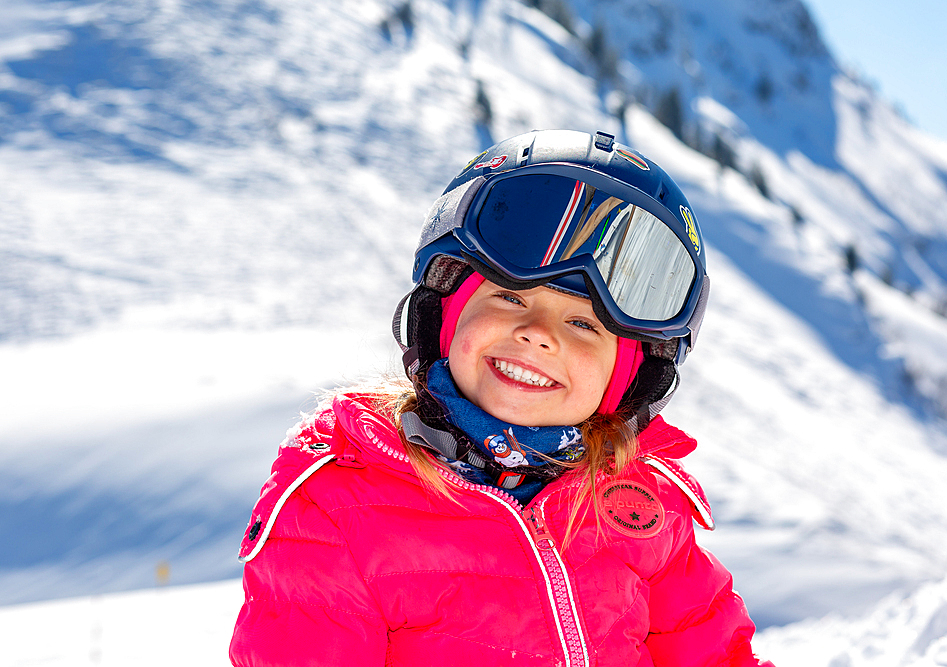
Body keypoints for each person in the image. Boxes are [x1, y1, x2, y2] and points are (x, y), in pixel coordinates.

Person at [229, 129, 774, 666]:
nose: (539, 333)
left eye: (583, 323)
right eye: (510, 296)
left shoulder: (642, 506)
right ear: (443, 314)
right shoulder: (339, 507)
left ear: (627, 378)